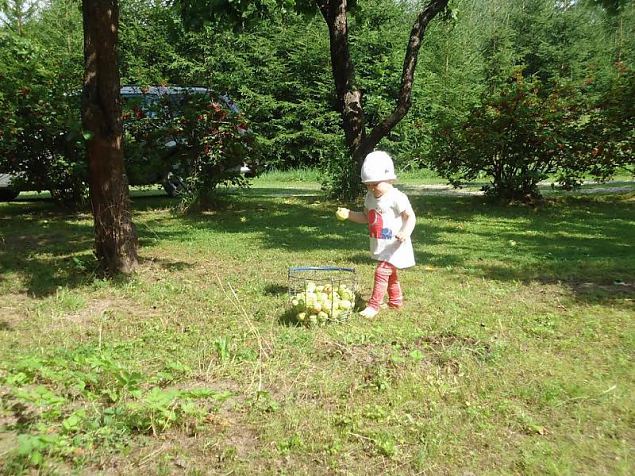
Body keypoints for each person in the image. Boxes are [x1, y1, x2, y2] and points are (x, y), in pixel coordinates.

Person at [336, 150, 416, 318]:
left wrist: (405, 232)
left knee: (381, 271)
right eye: (368, 184)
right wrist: (349, 214)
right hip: (380, 243)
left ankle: (374, 305)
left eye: (375, 183)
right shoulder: (370, 197)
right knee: (390, 274)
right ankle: (396, 301)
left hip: (395, 244)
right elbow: (366, 217)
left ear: (389, 179)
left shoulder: (396, 197)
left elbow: (410, 217)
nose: (372, 187)